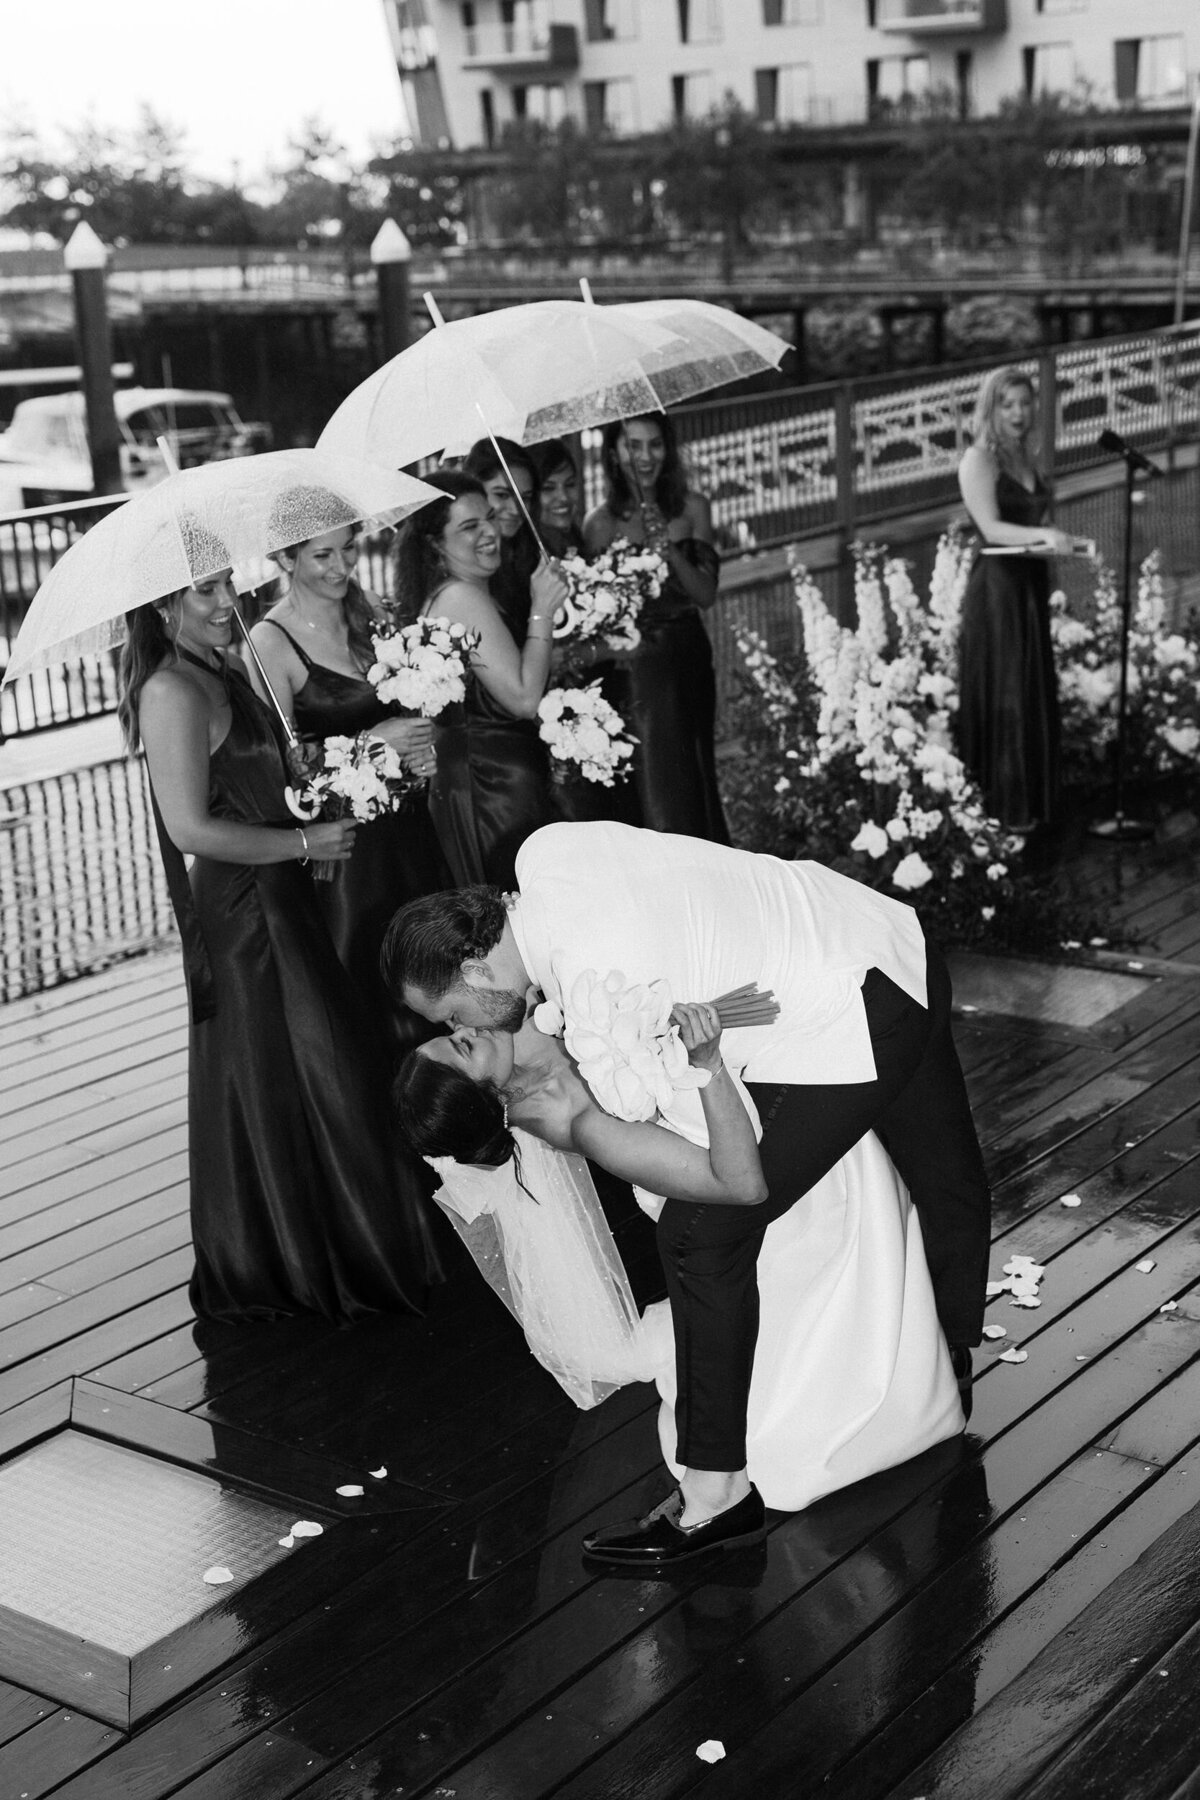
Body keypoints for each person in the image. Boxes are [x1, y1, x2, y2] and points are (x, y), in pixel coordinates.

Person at [382, 821, 991, 1567]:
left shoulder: (600, 999)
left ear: (477, 971)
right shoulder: (546, 852)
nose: (456, 1025)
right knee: (942, 1160)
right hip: (883, 932)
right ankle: (951, 1353)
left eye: (449, 1017)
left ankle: (715, 1498)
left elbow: (730, 1176)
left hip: (851, 1016)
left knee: (701, 1238)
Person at [392, 1006, 963, 1526]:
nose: (465, 1029)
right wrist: (707, 1063)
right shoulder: (569, 1119)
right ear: (493, 1098)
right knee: (807, 1290)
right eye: (463, 1048)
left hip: (755, 1120)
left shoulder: (523, 1013)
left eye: (451, 1034)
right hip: (720, 1184)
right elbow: (736, 1185)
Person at [117, 564, 443, 1323]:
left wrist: (335, 780)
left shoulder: (226, 667)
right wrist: (301, 842)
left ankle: (339, 1245)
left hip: (282, 894)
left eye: (228, 583)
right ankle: (305, 1260)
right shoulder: (170, 691)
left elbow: (274, 780)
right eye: (204, 590)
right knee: (303, 1070)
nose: (226, 601)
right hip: (245, 915)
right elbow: (190, 830)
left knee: (315, 1070)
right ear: (164, 606)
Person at [248, 493, 452, 1044]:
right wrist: (371, 742)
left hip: (410, 830)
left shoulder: (375, 617)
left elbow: (407, 709)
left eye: (349, 549)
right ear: (285, 559)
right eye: (322, 556)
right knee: (377, 999)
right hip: (351, 855)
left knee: (439, 975)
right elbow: (286, 779)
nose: (342, 567)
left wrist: (417, 748)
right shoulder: (270, 643)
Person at [391, 470, 568, 890]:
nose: (490, 531)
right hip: (493, 786)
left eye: (489, 517)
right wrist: (542, 608)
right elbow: (523, 698)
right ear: (435, 543)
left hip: (488, 777)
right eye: (470, 526)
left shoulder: (455, 593)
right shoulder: (461, 597)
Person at [584, 413, 728, 843]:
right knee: (652, 774)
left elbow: (705, 594)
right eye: (634, 446)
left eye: (655, 445)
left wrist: (670, 550)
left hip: (687, 655)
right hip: (635, 667)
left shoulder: (693, 507)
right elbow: (598, 612)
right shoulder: (600, 523)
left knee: (694, 766)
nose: (646, 457)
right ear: (614, 453)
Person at [957, 366, 1072, 832]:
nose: (1019, 413)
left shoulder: (1028, 457)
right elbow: (991, 527)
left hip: (1028, 582)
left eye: (1025, 403)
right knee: (1006, 689)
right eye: (1008, 405)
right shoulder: (979, 460)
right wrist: (1044, 532)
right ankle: (1003, 806)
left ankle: (1034, 802)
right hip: (998, 587)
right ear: (991, 408)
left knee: (1031, 684)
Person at [463, 436, 541, 641]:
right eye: (502, 495)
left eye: (525, 498)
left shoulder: (528, 552)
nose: (516, 510)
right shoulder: (466, 565)